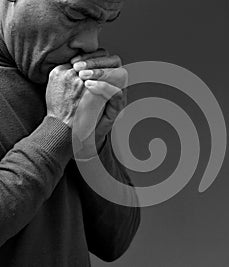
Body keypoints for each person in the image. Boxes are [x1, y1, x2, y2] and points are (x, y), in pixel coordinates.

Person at [0, 0, 141, 266]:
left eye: (101, 22)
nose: (89, 43)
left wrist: (91, 144)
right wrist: (57, 129)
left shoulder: (61, 87)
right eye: (75, 16)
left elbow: (116, 240)